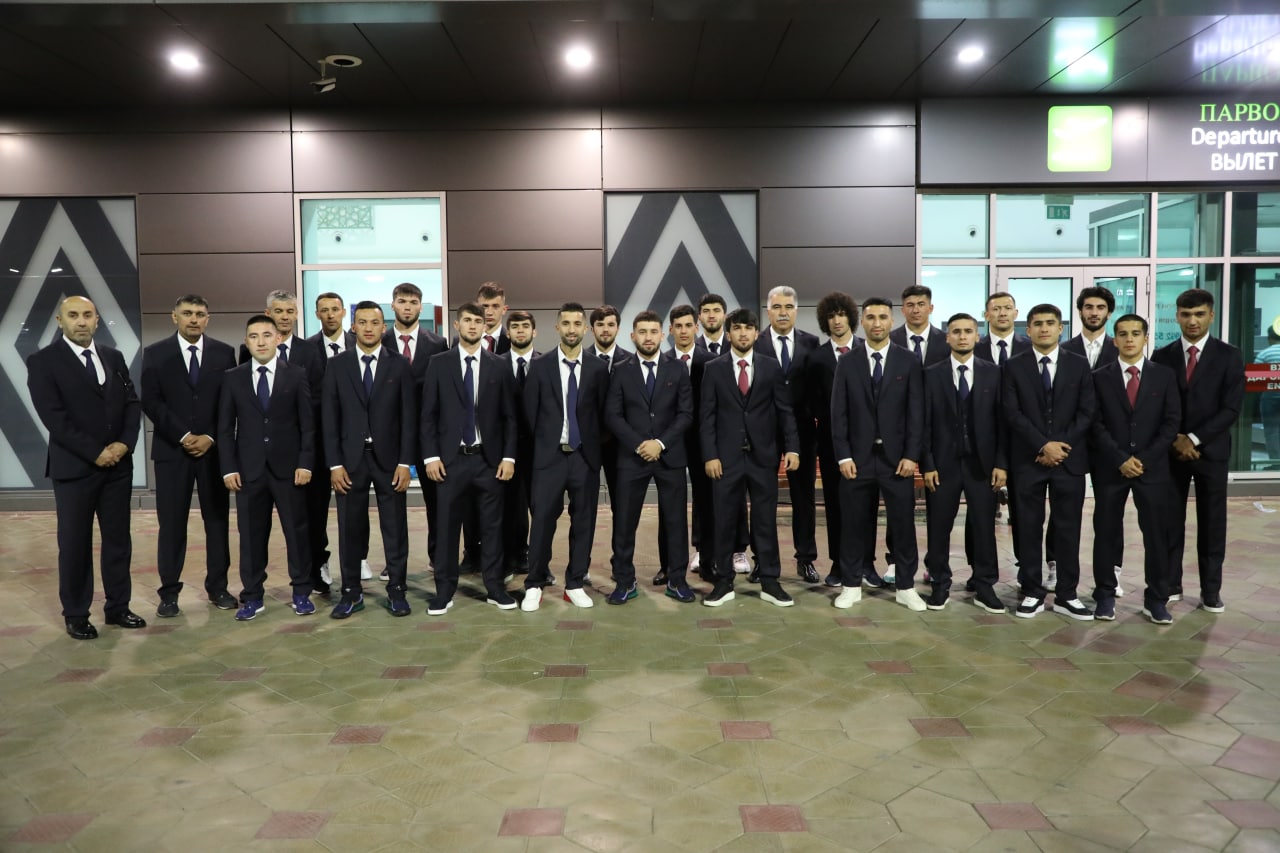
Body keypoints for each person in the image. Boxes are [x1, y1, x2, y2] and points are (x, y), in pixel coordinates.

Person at [27, 295, 145, 640]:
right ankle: (77, 613)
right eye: (73, 315)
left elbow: (132, 403)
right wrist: (95, 452)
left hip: (117, 467)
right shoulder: (43, 361)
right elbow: (54, 417)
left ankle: (118, 607)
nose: (81, 321)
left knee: (118, 541)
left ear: (97, 320)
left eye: (87, 315)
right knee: (75, 543)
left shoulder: (113, 357)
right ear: (60, 321)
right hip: (75, 469)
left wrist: (124, 444)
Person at [140, 294, 238, 617]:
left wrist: (210, 436)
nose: (194, 319)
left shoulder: (224, 353)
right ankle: (169, 593)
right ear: (174, 317)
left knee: (217, 522)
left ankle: (218, 587)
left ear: (208, 318)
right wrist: (183, 436)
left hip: (213, 452)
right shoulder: (155, 353)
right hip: (171, 451)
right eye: (187, 313)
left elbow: (229, 401)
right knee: (172, 524)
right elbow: (151, 401)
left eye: (199, 314)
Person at [1151, 288, 1245, 613]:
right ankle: (1170, 584)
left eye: (1199, 314)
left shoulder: (1229, 356)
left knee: (1212, 522)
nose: (1193, 321)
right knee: (1168, 521)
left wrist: (1192, 438)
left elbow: (1231, 409)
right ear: (1177, 316)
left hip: (1211, 452)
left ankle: (1211, 590)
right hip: (1171, 452)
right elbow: (1156, 405)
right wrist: (1175, 438)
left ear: (1211, 316)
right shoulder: (1161, 356)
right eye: (1186, 314)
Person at [421, 303, 518, 614]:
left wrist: (508, 457)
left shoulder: (499, 365)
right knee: (447, 529)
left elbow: (510, 417)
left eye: (478, 321)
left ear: (484, 327)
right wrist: (431, 457)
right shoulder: (439, 363)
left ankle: (495, 588)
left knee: (493, 528)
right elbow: (428, 415)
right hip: (450, 462)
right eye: (467, 320)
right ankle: (444, 592)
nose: (473, 325)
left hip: (489, 461)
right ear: (456, 325)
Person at [829, 297, 925, 611]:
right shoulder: (848, 361)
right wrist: (843, 456)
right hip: (856, 460)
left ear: (892, 321)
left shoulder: (908, 360)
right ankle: (851, 585)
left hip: (897, 460)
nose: (877, 323)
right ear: (862, 322)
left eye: (883, 317)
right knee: (852, 524)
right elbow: (838, 413)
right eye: (870, 317)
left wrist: (911, 454)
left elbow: (916, 412)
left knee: (903, 525)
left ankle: (906, 587)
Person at [700, 308, 800, 608]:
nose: (743, 333)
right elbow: (706, 416)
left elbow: (785, 411)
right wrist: (710, 455)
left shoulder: (771, 367)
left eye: (748, 328)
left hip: (763, 457)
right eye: (737, 328)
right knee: (723, 520)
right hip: (725, 460)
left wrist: (792, 447)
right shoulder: (713, 368)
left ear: (757, 333)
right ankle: (723, 581)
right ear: (728, 333)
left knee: (765, 520)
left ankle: (770, 580)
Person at [1002, 304, 1096, 620]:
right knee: (1028, 527)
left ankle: (1068, 594)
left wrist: (1059, 446)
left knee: (1068, 529)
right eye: (1038, 323)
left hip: (1068, 461)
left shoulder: (1079, 364)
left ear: (1060, 328)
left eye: (1050, 323)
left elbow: (1087, 411)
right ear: (1027, 330)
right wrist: (1043, 445)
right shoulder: (1013, 366)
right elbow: (1011, 412)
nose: (1044, 328)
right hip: (1029, 460)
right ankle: (1032, 591)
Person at [218, 315, 315, 621]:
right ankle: (252, 596)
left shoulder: (296, 374)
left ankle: (302, 592)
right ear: (246, 342)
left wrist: (305, 462)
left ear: (278, 339)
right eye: (254, 336)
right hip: (249, 471)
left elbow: (308, 425)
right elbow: (224, 428)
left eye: (266, 335)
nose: (260, 341)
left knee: (297, 533)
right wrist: (228, 468)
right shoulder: (233, 377)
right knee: (250, 537)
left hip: (289, 470)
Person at [322, 301, 415, 619]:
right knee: (349, 527)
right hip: (350, 461)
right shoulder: (337, 365)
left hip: (390, 460)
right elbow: (329, 418)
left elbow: (409, 417)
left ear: (383, 327)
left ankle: (397, 591)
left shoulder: (399, 365)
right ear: (353, 327)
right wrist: (334, 464)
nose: (368, 328)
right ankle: (351, 592)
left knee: (395, 527)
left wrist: (405, 462)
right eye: (362, 322)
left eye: (374, 322)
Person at [1089, 314, 1181, 624]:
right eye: (1123, 334)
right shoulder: (1099, 377)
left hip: (1151, 469)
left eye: (1136, 333)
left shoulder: (1163, 376)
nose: (1129, 339)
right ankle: (1104, 594)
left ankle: (1156, 598)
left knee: (1156, 535)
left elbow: (1171, 422)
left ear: (1145, 338)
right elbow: (1095, 423)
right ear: (1114, 339)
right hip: (1111, 467)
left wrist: (1145, 459)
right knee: (1106, 533)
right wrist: (1120, 459)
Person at [521, 302, 610, 611]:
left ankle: (574, 583)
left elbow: (604, 415)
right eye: (566, 323)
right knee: (542, 522)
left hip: (584, 458)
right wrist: (544, 447)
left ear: (586, 329)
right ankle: (534, 583)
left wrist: (592, 449)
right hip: (549, 459)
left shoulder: (598, 368)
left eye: (577, 324)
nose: (572, 329)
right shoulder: (540, 366)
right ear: (557, 327)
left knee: (584, 522)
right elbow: (529, 415)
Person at [241, 291, 329, 595]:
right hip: (260, 459)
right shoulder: (248, 352)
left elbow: (317, 400)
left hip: (301, 452)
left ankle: (313, 574)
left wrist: (306, 451)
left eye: (290, 311)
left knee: (308, 519)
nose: (285, 316)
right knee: (255, 529)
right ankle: (254, 589)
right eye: (279, 311)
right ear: (269, 313)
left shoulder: (310, 351)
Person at [919, 313, 1007, 614]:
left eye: (968, 331)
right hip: (943, 464)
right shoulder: (931, 373)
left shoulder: (994, 373)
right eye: (956, 331)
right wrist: (927, 464)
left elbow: (1002, 422)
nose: (962, 336)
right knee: (938, 526)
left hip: (982, 465)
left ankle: (985, 585)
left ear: (977, 336)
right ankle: (940, 584)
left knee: (983, 526)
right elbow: (923, 423)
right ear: (947, 337)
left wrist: (1001, 463)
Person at [605, 311, 695, 604]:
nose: (648, 337)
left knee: (676, 523)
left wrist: (660, 443)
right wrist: (639, 444)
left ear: (662, 335)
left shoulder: (678, 368)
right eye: (642, 332)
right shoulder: (620, 369)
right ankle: (624, 581)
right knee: (624, 523)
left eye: (653, 331)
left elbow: (686, 414)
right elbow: (613, 415)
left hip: (670, 457)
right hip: (632, 459)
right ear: (632, 336)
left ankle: (677, 580)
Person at [754, 285, 821, 583]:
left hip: (803, 431)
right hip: (765, 431)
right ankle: (762, 559)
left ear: (796, 310)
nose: (783, 312)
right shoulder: (756, 343)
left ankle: (806, 559)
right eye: (777, 307)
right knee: (763, 499)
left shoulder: (811, 343)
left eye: (788, 307)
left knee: (803, 498)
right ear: (768, 311)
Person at [382, 282, 449, 575]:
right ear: (393, 305)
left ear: (421, 306)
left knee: (436, 500)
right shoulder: (380, 341)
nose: (407, 307)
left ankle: (438, 557)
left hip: (427, 436)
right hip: (389, 435)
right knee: (391, 504)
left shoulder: (438, 343)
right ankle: (394, 564)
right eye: (402, 301)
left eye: (412, 302)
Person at [307, 291, 373, 587]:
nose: (331, 314)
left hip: (356, 441)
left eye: (335, 309)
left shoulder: (359, 343)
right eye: (324, 310)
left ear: (344, 312)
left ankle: (360, 556)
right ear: (317, 314)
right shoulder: (307, 349)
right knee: (317, 506)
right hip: (320, 441)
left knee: (358, 503)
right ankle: (321, 561)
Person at [805, 292, 866, 589]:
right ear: (824, 321)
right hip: (831, 443)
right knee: (835, 503)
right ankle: (838, 563)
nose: (837, 320)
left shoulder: (866, 350)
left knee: (865, 505)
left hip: (866, 442)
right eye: (831, 316)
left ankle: (866, 562)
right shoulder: (816, 358)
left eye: (841, 314)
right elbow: (812, 403)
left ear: (851, 317)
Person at [659, 304, 715, 584]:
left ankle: (707, 562)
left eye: (688, 325)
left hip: (702, 443)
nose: (683, 331)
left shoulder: (712, 361)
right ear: (670, 330)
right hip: (670, 442)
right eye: (678, 326)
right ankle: (667, 565)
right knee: (668, 507)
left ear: (697, 327)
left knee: (706, 503)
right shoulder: (661, 360)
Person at [696, 292, 750, 573]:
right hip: (703, 435)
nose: (711, 315)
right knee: (702, 496)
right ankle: (702, 548)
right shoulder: (692, 349)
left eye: (716, 310)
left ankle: (739, 550)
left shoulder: (740, 347)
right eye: (706, 310)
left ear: (724, 316)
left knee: (737, 495)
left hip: (736, 437)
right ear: (700, 316)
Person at [500, 310, 540, 578]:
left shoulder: (547, 363)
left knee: (541, 507)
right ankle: (511, 556)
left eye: (525, 326)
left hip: (539, 449)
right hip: (505, 449)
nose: (521, 331)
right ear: (508, 333)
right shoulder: (496, 364)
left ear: (534, 331)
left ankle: (537, 560)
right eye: (515, 327)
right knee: (510, 506)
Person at [890, 284, 948, 367]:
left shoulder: (947, 341)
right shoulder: (890, 340)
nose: (915, 310)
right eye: (910, 305)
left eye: (921, 304)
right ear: (903, 310)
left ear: (931, 308)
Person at [1063, 286, 1118, 369]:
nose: (1094, 313)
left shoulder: (1120, 350)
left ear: (1109, 314)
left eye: (1100, 308)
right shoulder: (1063, 349)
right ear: (1080, 312)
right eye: (1089, 307)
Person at [975, 291, 1032, 366]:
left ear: (1015, 314)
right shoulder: (974, 349)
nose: (1002, 313)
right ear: (987, 316)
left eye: (1008, 308)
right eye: (996, 309)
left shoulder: (1031, 347)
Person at [476, 281, 512, 354]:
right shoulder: (461, 341)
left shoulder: (513, 341)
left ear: (504, 310)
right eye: (485, 306)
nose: (489, 312)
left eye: (495, 306)